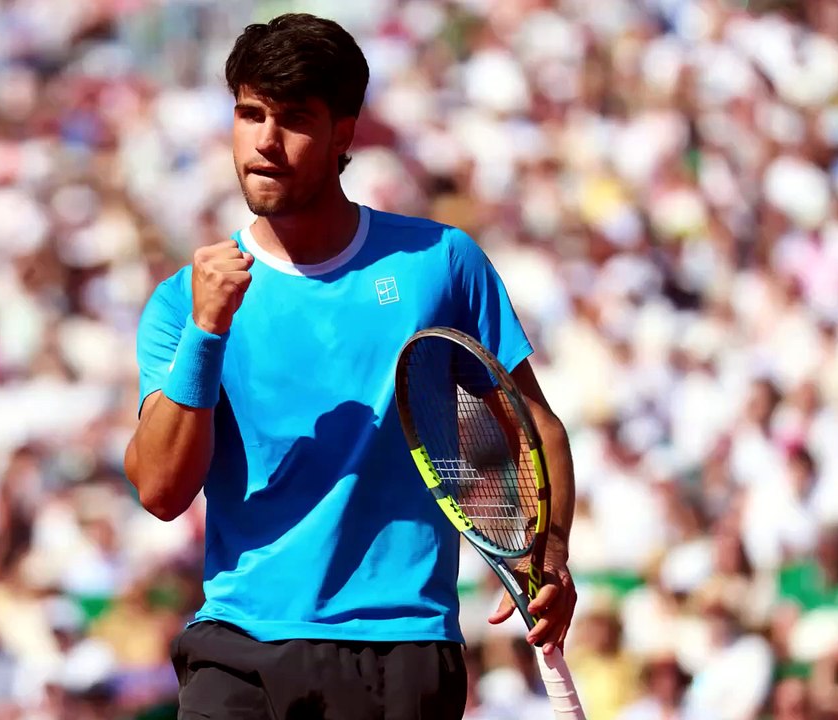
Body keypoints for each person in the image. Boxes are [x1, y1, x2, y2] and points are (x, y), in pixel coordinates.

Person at [124, 13, 578, 719]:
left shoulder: (440, 264)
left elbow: (533, 428)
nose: (265, 142)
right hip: (237, 646)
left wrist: (548, 553)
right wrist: (209, 329)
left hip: (401, 650)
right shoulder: (185, 300)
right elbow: (159, 489)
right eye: (249, 114)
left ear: (345, 133)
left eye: (294, 119)